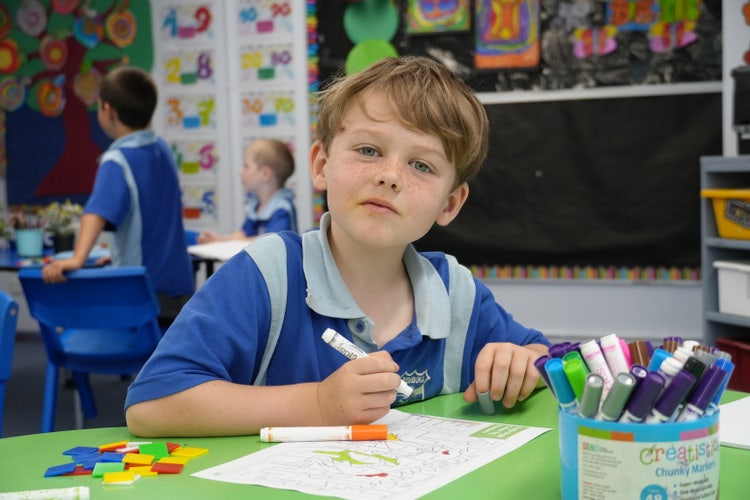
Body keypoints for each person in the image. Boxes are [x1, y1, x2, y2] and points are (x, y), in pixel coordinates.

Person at [125, 55, 551, 437]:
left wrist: (523, 364)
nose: (390, 175)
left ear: (451, 203)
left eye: (420, 164)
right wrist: (319, 404)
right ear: (321, 166)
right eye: (368, 150)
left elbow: (547, 359)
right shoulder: (268, 273)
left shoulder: (456, 292)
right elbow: (151, 406)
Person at [42, 66, 194, 328]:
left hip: (145, 295)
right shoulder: (162, 149)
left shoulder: (117, 160)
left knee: (74, 316)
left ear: (108, 111)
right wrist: (119, 254)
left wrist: (78, 258)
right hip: (180, 292)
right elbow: (151, 218)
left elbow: (96, 212)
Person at [197, 138, 297, 244]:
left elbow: (272, 243)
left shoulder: (282, 209)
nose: (240, 172)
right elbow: (243, 235)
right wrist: (219, 240)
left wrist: (238, 240)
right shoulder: (255, 206)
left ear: (265, 174)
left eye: (246, 166)